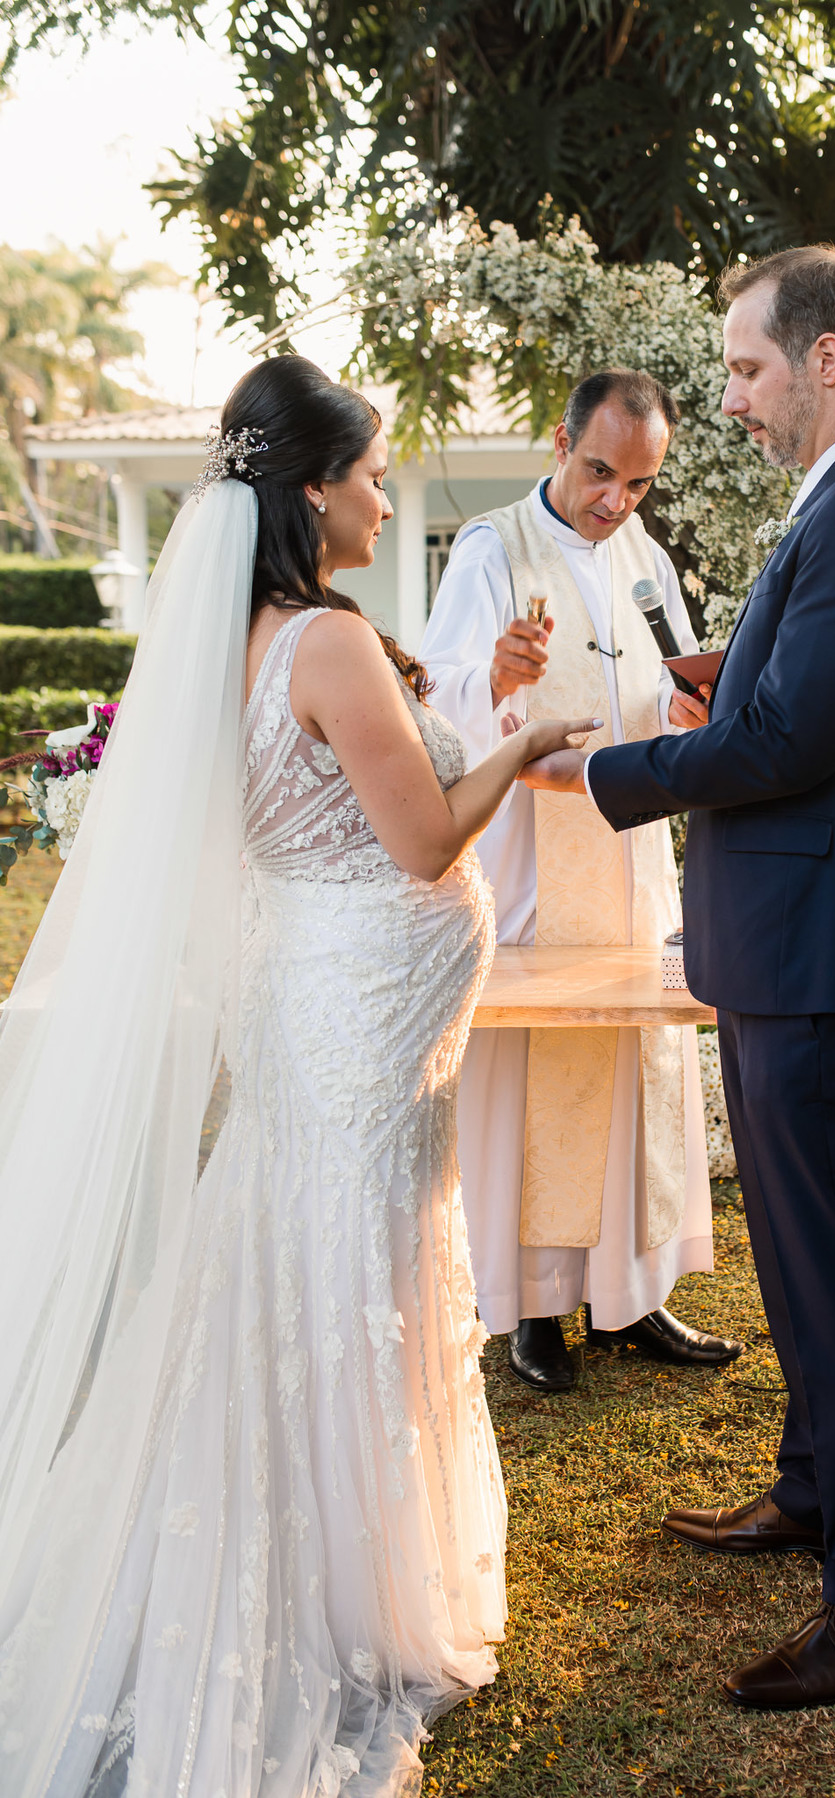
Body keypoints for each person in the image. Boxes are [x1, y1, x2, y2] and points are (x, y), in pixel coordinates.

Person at [0, 356, 596, 1796]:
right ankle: (344, 1589)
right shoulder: (324, 640)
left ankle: (336, 1553)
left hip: (327, 1005)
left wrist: (460, 700)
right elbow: (422, 839)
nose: (390, 498)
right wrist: (520, 742)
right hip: (353, 1023)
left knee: (312, 1265)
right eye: (378, 473)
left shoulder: (260, 636)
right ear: (315, 487)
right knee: (352, 1274)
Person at [518, 247, 835, 1708]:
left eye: (747, 367)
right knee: (800, 1257)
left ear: (827, 358)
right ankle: (820, 1489)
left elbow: (788, 748)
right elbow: (788, 698)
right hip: (791, 946)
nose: (732, 396)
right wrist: (731, 665)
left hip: (831, 953)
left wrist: (610, 768)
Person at [420, 368, 741, 1394]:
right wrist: (496, 681)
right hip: (531, 856)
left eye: (638, 484)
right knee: (535, 1072)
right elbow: (439, 702)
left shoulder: (642, 558)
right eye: (602, 471)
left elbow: (663, 683)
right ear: (560, 440)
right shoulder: (490, 551)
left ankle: (632, 1292)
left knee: (637, 1063)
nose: (615, 501)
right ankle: (532, 1308)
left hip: (629, 851)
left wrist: (690, 714)